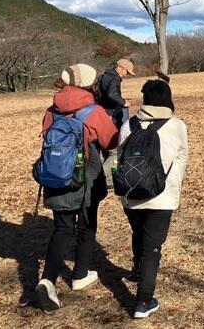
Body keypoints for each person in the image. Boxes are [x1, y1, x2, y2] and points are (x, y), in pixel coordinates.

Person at [36, 64, 118, 312]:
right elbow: (111, 140)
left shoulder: (52, 110)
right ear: (90, 84)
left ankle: (47, 279)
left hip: (56, 176)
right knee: (86, 225)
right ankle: (80, 274)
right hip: (85, 179)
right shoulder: (94, 111)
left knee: (62, 229)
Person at [118, 79, 189, 319]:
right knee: (152, 247)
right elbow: (182, 159)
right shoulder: (177, 126)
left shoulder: (128, 125)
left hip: (130, 194)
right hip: (162, 197)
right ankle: (143, 302)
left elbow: (120, 157)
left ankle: (138, 271)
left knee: (138, 234)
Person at [98, 58, 135, 186]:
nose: (127, 75)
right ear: (121, 68)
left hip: (101, 114)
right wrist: (124, 102)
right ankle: (100, 176)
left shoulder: (105, 76)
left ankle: (104, 180)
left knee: (103, 149)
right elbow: (112, 94)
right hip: (110, 116)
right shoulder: (114, 79)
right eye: (128, 72)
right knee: (114, 151)